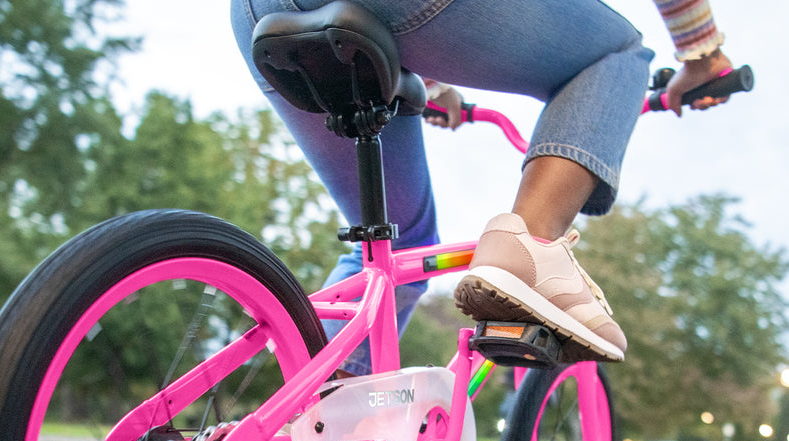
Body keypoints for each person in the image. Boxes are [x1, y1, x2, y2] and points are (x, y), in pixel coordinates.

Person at [231, 0, 732, 367]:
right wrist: (702, 54)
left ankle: (309, 433)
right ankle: (529, 247)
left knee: (393, 243)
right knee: (616, 54)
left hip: (258, 14)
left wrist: (435, 84)